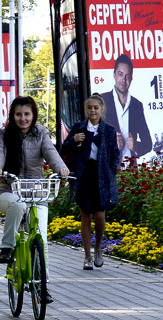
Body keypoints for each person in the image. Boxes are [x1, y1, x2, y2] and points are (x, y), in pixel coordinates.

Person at [0, 96, 69, 304]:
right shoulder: (5, 134)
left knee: (41, 239)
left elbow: (50, 153)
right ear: (12, 115)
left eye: (27, 114)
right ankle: (6, 248)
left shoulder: (41, 132)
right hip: (9, 189)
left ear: (33, 115)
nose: (23, 119)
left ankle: (43, 286)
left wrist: (61, 169)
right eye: (18, 114)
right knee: (18, 205)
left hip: (36, 192)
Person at [61, 93, 120, 270]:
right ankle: (87, 256)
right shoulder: (79, 127)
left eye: (96, 107)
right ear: (86, 110)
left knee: (100, 213)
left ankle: (98, 248)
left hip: (101, 174)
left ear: (102, 109)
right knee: (85, 214)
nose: (93, 110)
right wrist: (74, 140)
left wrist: (111, 171)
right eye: (89, 107)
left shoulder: (108, 130)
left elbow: (114, 154)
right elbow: (64, 148)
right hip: (83, 174)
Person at [101, 54, 152, 168]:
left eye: (127, 76)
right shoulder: (102, 101)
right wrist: (112, 144)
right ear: (114, 75)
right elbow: (91, 140)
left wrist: (135, 147)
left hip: (130, 173)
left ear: (131, 79)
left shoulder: (136, 105)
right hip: (107, 169)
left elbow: (148, 144)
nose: (123, 80)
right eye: (120, 74)